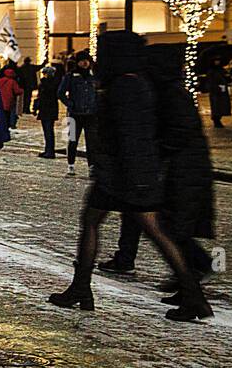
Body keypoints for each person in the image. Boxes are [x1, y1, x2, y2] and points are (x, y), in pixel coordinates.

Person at [49, 31, 212, 322]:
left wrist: (130, 177)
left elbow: (130, 136)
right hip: (131, 174)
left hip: (125, 176)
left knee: (139, 231)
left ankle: (192, 294)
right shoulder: (135, 83)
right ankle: (81, 287)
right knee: (113, 226)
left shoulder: (126, 87)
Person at [100, 44, 217, 287]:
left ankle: (193, 271)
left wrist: (156, 151)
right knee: (144, 216)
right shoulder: (161, 89)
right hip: (170, 168)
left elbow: (179, 131)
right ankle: (133, 259)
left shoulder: (172, 93)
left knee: (168, 224)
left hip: (180, 170)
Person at [58, 49, 98, 176]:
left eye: (87, 60)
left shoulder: (93, 76)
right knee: (72, 140)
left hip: (91, 114)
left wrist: (97, 105)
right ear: (78, 62)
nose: (85, 63)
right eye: (82, 61)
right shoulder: (70, 76)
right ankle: (71, 164)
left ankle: (92, 166)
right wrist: (70, 104)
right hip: (75, 114)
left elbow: (97, 92)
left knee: (91, 142)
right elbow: (60, 93)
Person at [33, 65, 62, 158]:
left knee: (48, 130)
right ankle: (48, 150)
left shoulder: (45, 84)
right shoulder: (56, 83)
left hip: (46, 108)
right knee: (48, 130)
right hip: (51, 108)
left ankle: (49, 151)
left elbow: (41, 97)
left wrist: (36, 107)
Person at [0, 65, 24, 131]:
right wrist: (22, 90)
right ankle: (11, 124)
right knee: (10, 113)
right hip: (9, 100)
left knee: (2, 114)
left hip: (0, 100)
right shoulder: (12, 82)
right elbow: (17, 91)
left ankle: (2, 125)